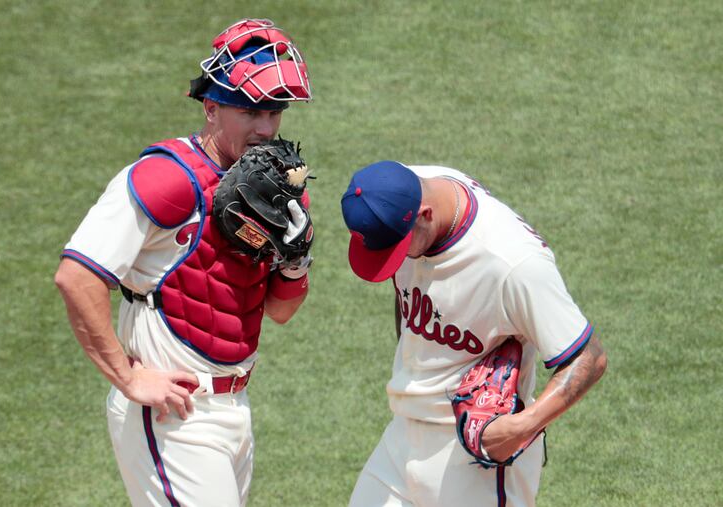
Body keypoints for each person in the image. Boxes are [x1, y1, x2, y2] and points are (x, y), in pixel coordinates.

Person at [54, 19, 313, 507]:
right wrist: (129, 379)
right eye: (251, 111)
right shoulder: (165, 178)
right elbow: (76, 275)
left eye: (275, 112)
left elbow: (278, 311)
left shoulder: (275, 184)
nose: (266, 127)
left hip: (235, 410)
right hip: (175, 415)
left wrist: (295, 262)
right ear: (211, 108)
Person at [340, 161, 607, 506]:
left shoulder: (513, 265)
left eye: (396, 249)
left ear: (424, 215)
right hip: (401, 436)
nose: (396, 260)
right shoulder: (398, 190)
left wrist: (521, 428)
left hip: (472, 462)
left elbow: (590, 357)